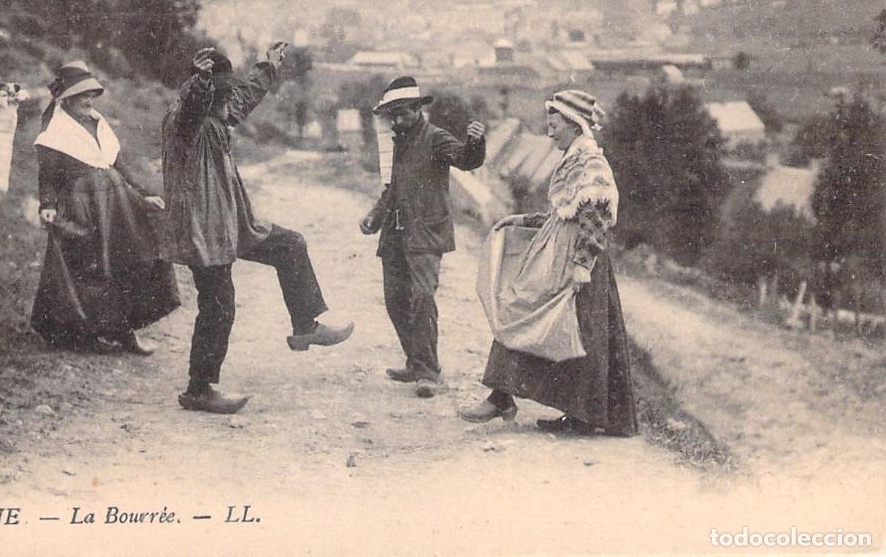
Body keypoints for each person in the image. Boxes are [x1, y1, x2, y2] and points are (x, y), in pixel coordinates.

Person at [162, 43, 354, 414]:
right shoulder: (184, 123)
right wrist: (200, 83)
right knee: (219, 306)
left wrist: (267, 66)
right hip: (202, 232)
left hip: (232, 224)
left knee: (290, 245)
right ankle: (199, 389)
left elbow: (243, 97)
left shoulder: (218, 113)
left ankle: (305, 325)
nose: (229, 99)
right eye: (221, 92)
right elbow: (192, 109)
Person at [458, 89, 639, 437]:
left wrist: (582, 264)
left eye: (555, 126)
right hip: (560, 253)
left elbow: (596, 217)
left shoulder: (591, 163)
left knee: (575, 332)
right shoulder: (573, 158)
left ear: (574, 125)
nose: (550, 132)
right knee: (535, 317)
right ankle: (503, 397)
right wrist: (521, 220)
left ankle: (575, 414)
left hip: (578, 261)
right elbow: (563, 213)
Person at [31, 61, 180, 354]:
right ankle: (86, 333)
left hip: (116, 204)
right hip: (81, 206)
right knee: (90, 268)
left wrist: (144, 194)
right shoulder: (54, 132)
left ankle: (125, 332)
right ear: (66, 99)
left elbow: (119, 165)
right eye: (81, 95)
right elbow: (47, 176)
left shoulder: (98, 123)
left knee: (127, 260)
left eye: (91, 94)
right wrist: (47, 205)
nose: (88, 100)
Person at [359, 77, 486, 398]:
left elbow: (467, 159)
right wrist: (375, 216)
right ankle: (415, 363)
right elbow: (392, 188)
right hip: (395, 235)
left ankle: (428, 372)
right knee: (395, 301)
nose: (397, 120)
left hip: (425, 234)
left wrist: (475, 142)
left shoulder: (435, 138)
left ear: (417, 108)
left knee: (422, 298)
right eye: (393, 115)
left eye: (403, 113)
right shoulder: (398, 142)